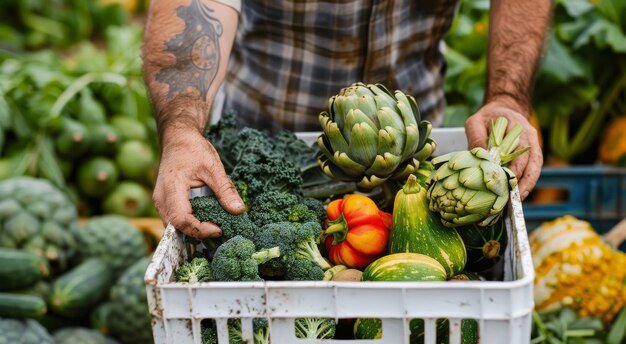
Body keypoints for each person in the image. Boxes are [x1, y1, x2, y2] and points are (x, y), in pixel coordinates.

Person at [143, 0, 549, 239]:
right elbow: (195, 8)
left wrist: (508, 97)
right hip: (261, 138)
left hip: (415, 144)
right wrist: (182, 130)